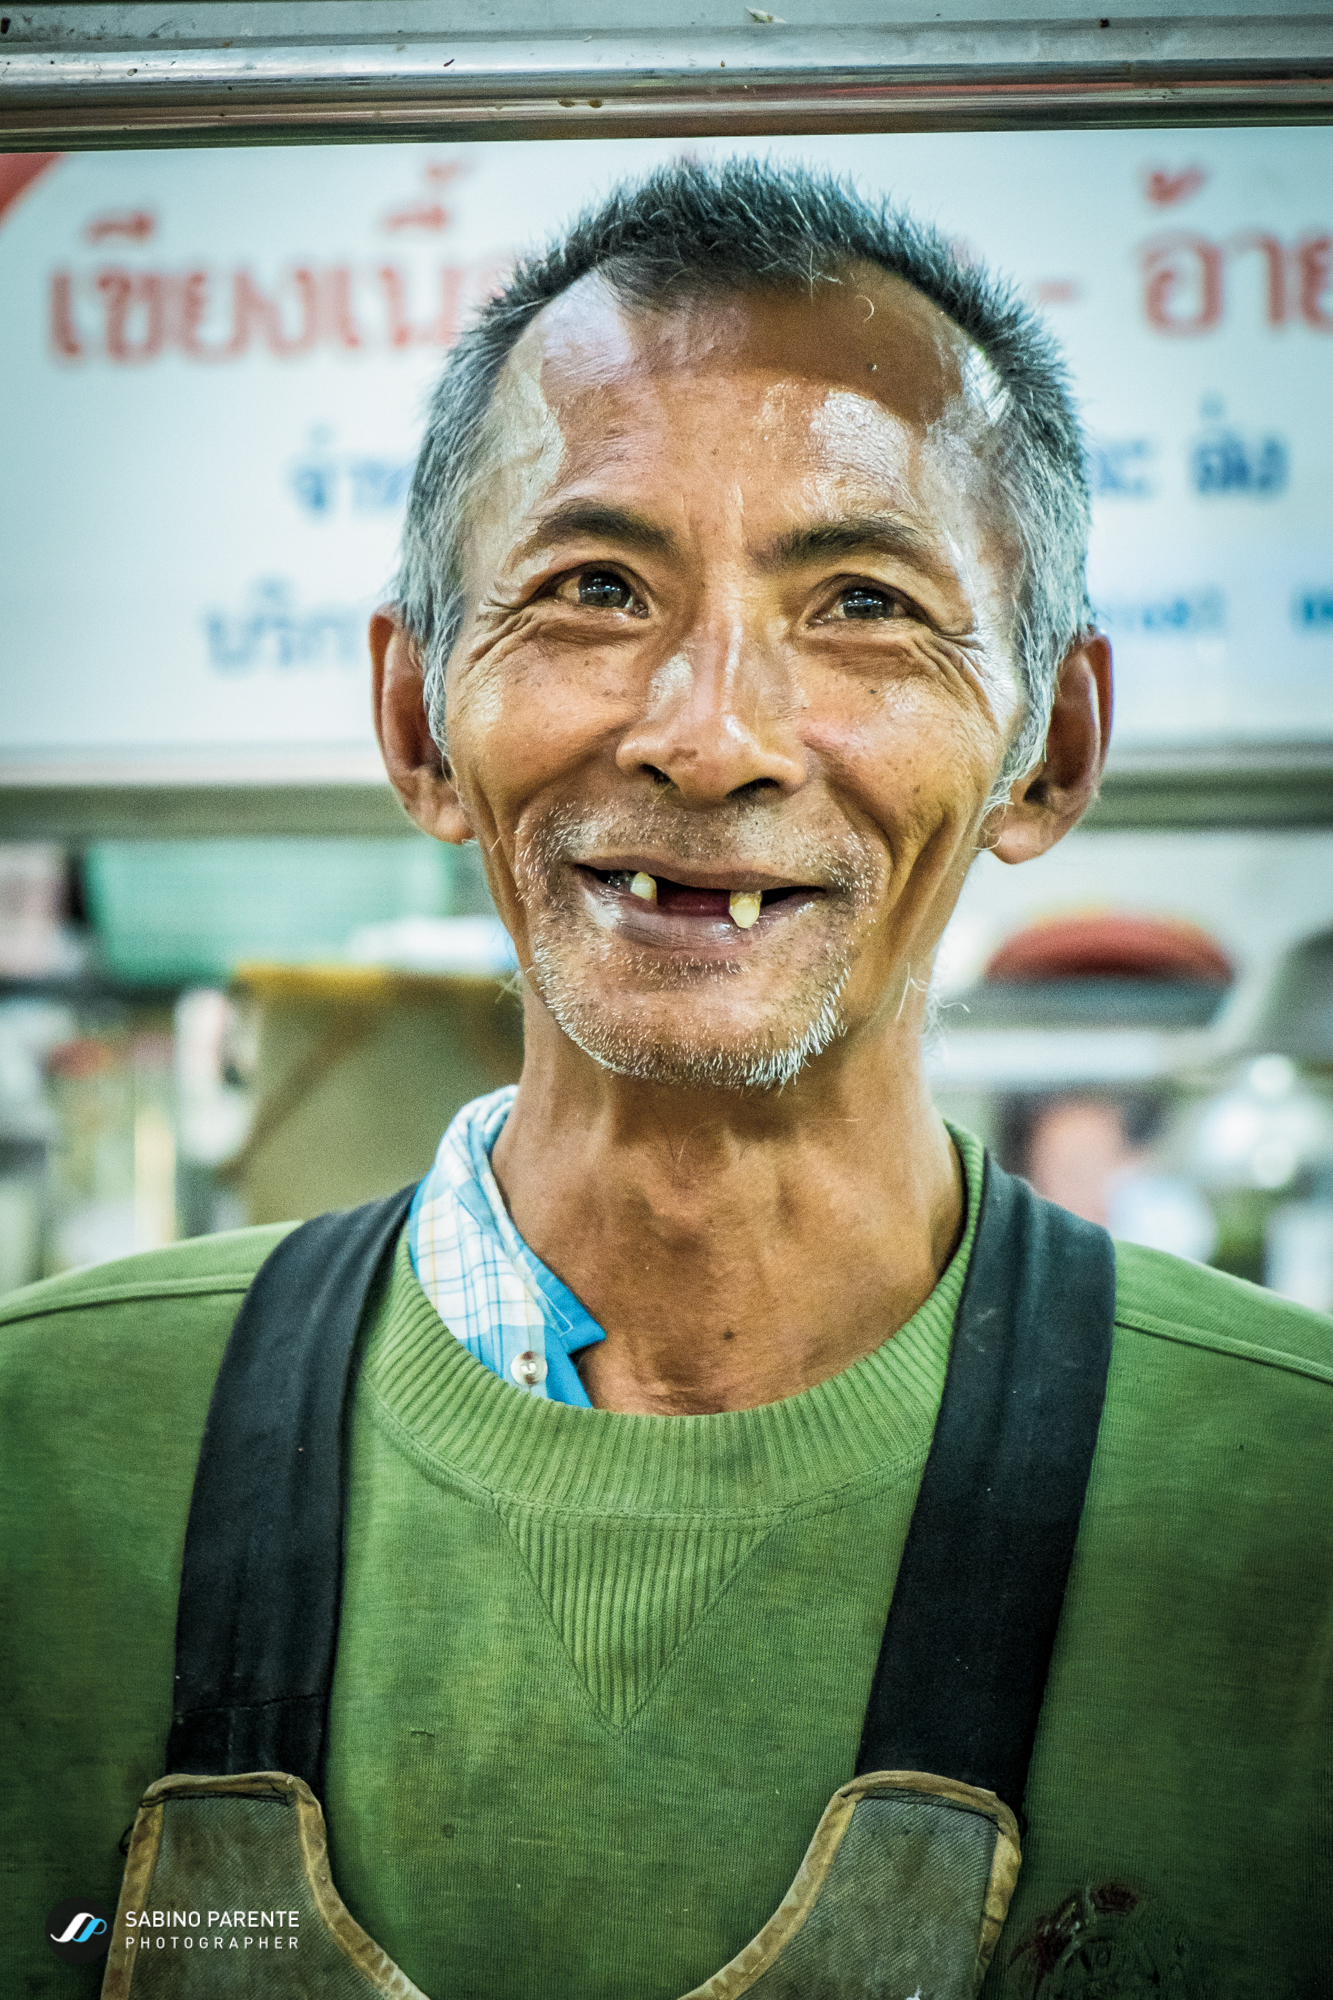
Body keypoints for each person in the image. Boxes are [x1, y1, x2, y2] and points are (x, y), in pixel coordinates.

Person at [3, 159, 1330, 2000]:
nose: (707, 734)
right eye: (594, 585)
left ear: (1050, 749)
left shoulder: (1292, 1505)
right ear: (414, 720)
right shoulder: (41, 1460)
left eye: (862, 601)